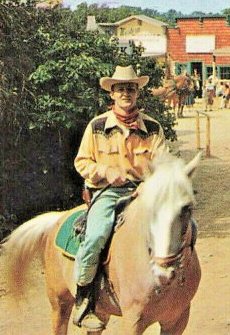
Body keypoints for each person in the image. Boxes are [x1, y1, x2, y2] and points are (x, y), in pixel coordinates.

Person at [72, 66, 167, 330]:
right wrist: (105, 171)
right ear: (112, 94)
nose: (126, 93)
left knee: (179, 226)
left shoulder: (153, 128)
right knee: (96, 235)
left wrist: (149, 185)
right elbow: (82, 162)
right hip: (108, 191)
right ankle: (85, 300)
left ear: (138, 93)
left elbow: (163, 164)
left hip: (144, 192)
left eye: (131, 89)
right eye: (121, 89)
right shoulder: (97, 127)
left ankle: (174, 290)